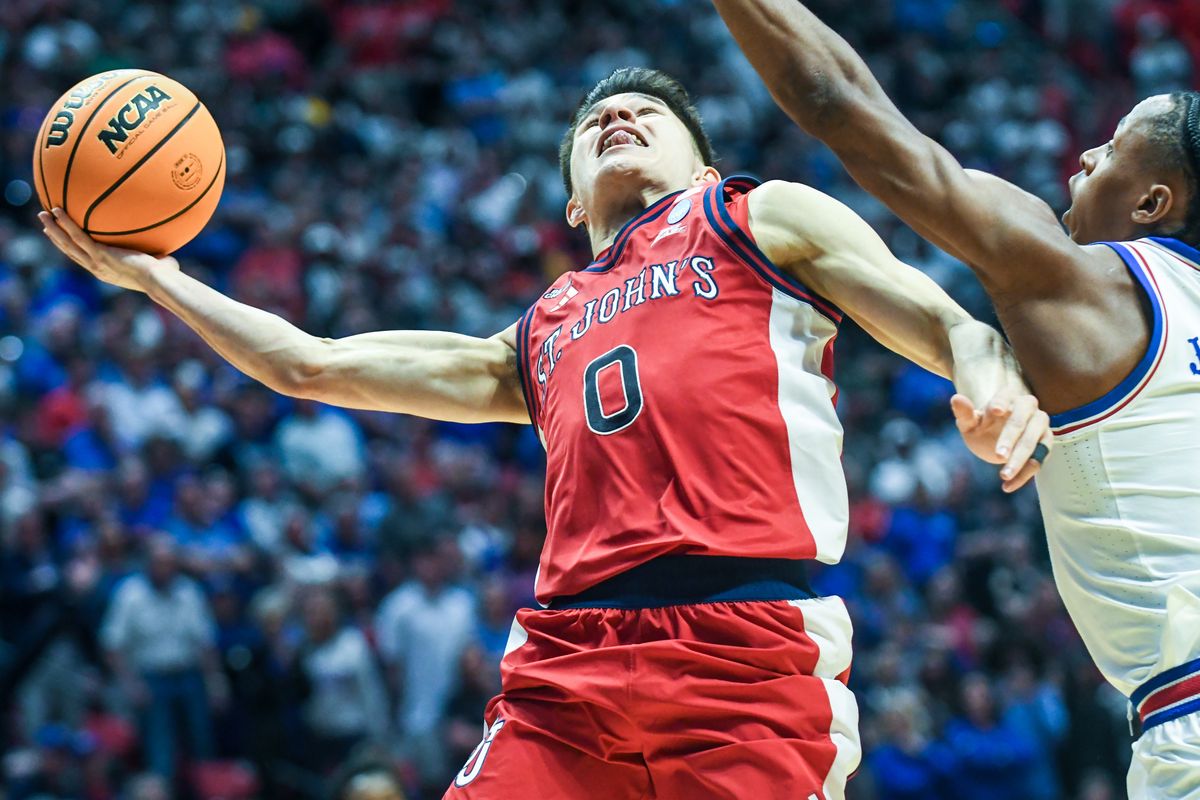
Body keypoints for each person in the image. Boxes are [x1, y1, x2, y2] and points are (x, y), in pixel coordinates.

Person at [38, 66, 1050, 798]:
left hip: (744, 658)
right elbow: (309, 362)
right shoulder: (536, 332)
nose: (617, 113)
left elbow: (928, 307)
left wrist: (977, 359)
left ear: (705, 162)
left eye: (647, 112)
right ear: (570, 198)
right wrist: (159, 279)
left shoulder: (755, 216)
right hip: (567, 670)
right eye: (595, 117)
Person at [709, 0, 1200, 795]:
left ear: (1151, 205)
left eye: (1110, 151)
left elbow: (845, 106)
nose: (1083, 154)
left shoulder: (1098, 288)